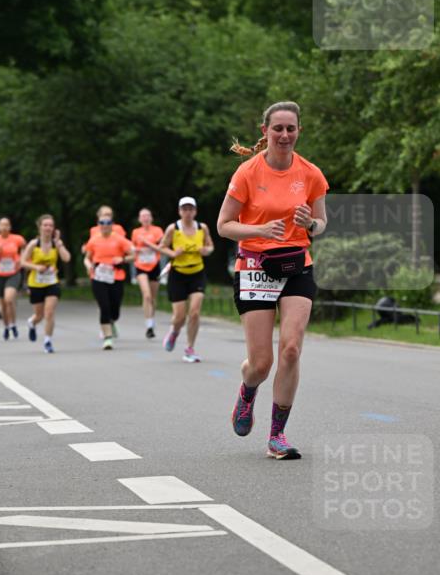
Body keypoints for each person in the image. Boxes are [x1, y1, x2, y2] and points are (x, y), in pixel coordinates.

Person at [217, 101, 328, 459]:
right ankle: (248, 390)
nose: (284, 135)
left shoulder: (310, 173)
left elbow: (322, 222)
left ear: (299, 131)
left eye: (290, 128)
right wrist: (260, 229)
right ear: (264, 132)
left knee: (292, 349)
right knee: (261, 363)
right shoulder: (247, 173)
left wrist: (310, 223)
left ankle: (277, 436)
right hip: (255, 264)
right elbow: (224, 225)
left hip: (297, 263)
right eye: (277, 128)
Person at [159, 197, 214, 362]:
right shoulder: (173, 229)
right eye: (184, 209)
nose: (188, 212)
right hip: (178, 274)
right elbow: (162, 247)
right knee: (179, 317)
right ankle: (174, 332)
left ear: (195, 211)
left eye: (191, 209)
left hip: (197, 273)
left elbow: (210, 246)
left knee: (195, 312)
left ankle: (189, 348)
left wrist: (206, 250)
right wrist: (173, 253)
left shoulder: (202, 228)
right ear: (179, 211)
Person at [21, 214, 71, 353]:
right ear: (40, 227)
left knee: (49, 312)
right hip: (36, 283)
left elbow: (67, 258)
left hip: (51, 282)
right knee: (39, 315)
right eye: (45, 225)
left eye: (50, 225)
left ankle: (47, 341)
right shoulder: (33, 244)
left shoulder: (56, 243)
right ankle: (32, 323)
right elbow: (22, 262)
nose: (48, 228)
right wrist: (36, 267)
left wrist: (59, 242)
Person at [83, 218, 134, 350]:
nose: (105, 226)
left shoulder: (119, 239)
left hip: (116, 277)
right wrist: (89, 266)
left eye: (108, 223)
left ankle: (112, 321)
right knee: (104, 306)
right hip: (98, 277)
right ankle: (107, 338)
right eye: (102, 223)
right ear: (98, 225)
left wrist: (122, 259)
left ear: (112, 225)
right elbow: (87, 258)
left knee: (115, 309)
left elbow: (133, 255)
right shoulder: (94, 240)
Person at [0, 218, 26, 340]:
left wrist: (21, 258)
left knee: (9, 299)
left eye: (7, 225)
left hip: (13, 273)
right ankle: (6, 326)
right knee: (2, 304)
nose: (4, 227)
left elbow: (25, 248)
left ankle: (13, 324)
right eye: (2, 225)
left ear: (10, 227)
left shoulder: (17, 239)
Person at [131, 208, 164, 338]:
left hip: (154, 265)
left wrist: (148, 244)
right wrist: (138, 250)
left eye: (147, 216)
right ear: (139, 219)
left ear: (151, 218)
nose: (145, 218)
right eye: (143, 216)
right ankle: (149, 325)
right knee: (147, 295)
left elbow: (161, 246)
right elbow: (132, 249)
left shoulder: (157, 231)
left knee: (153, 298)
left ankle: (151, 319)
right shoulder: (135, 232)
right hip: (140, 266)